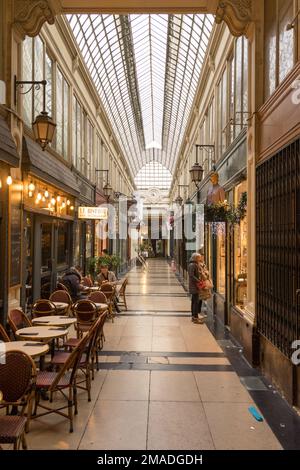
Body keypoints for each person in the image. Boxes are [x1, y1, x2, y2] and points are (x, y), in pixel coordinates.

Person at [188, 252, 212, 324]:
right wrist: (199, 281)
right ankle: (195, 317)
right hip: (194, 286)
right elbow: (191, 276)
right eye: (198, 258)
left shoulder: (194, 264)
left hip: (194, 286)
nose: (200, 259)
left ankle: (194, 316)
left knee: (194, 301)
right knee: (195, 302)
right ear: (195, 258)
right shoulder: (193, 265)